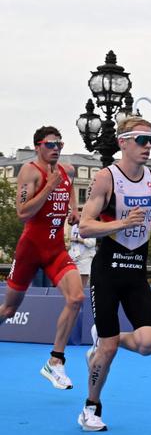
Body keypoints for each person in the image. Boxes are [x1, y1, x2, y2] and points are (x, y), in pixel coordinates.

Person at [77, 117, 151, 430]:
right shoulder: (106, 178)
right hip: (107, 273)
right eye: (142, 140)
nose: (148, 147)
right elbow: (85, 226)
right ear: (123, 142)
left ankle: (104, 341)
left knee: (149, 343)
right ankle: (91, 407)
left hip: (135, 273)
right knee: (109, 348)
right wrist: (121, 224)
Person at [1, 127, 84, 391]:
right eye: (50, 144)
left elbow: (69, 187)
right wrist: (48, 186)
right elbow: (22, 213)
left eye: (59, 143)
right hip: (30, 250)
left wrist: (73, 209)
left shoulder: (67, 170)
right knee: (9, 310)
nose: (56, 148)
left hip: (56, 249)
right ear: (38, 146)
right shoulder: (30, 171)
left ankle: (55, 361)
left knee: (76, 298)